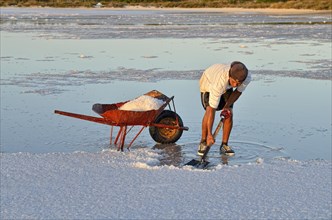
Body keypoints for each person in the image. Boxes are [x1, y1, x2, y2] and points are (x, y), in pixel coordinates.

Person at [198, 61, 251, 156]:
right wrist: (210, 134)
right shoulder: (219, 82)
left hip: (226, 87)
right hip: (208, 83)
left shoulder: (246, 77)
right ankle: (203, 141)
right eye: (234, 82)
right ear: (229, 76)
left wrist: (227, 107)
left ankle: (224, 144)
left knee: (229, 113)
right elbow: (212, 110)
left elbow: (238, 92)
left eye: (238, 83)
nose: (235, 85)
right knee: (209, 109)